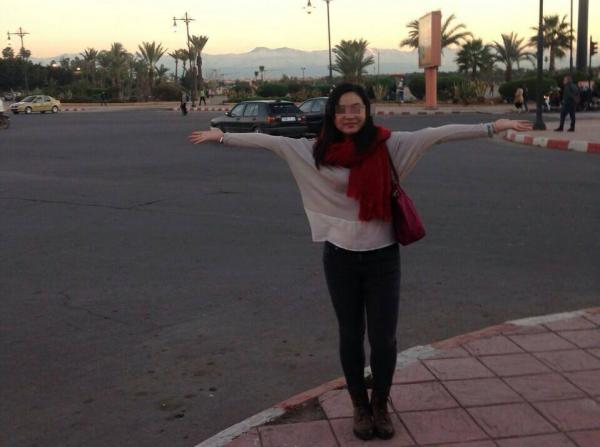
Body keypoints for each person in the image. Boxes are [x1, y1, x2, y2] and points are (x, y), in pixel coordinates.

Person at [188, 83, 531, 441]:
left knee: (384, 339)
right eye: (342, 110)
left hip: (383, 258)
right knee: (351, 335)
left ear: (367, 112)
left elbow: (437, 134)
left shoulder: (389, 145)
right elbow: (269, 142)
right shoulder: (314, 151)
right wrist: (222, 136)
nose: (349, 116)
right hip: (340, 259)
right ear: (332, 115)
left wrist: (492, 126)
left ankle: (380, 403)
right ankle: (359, 405)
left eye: (356, 108)